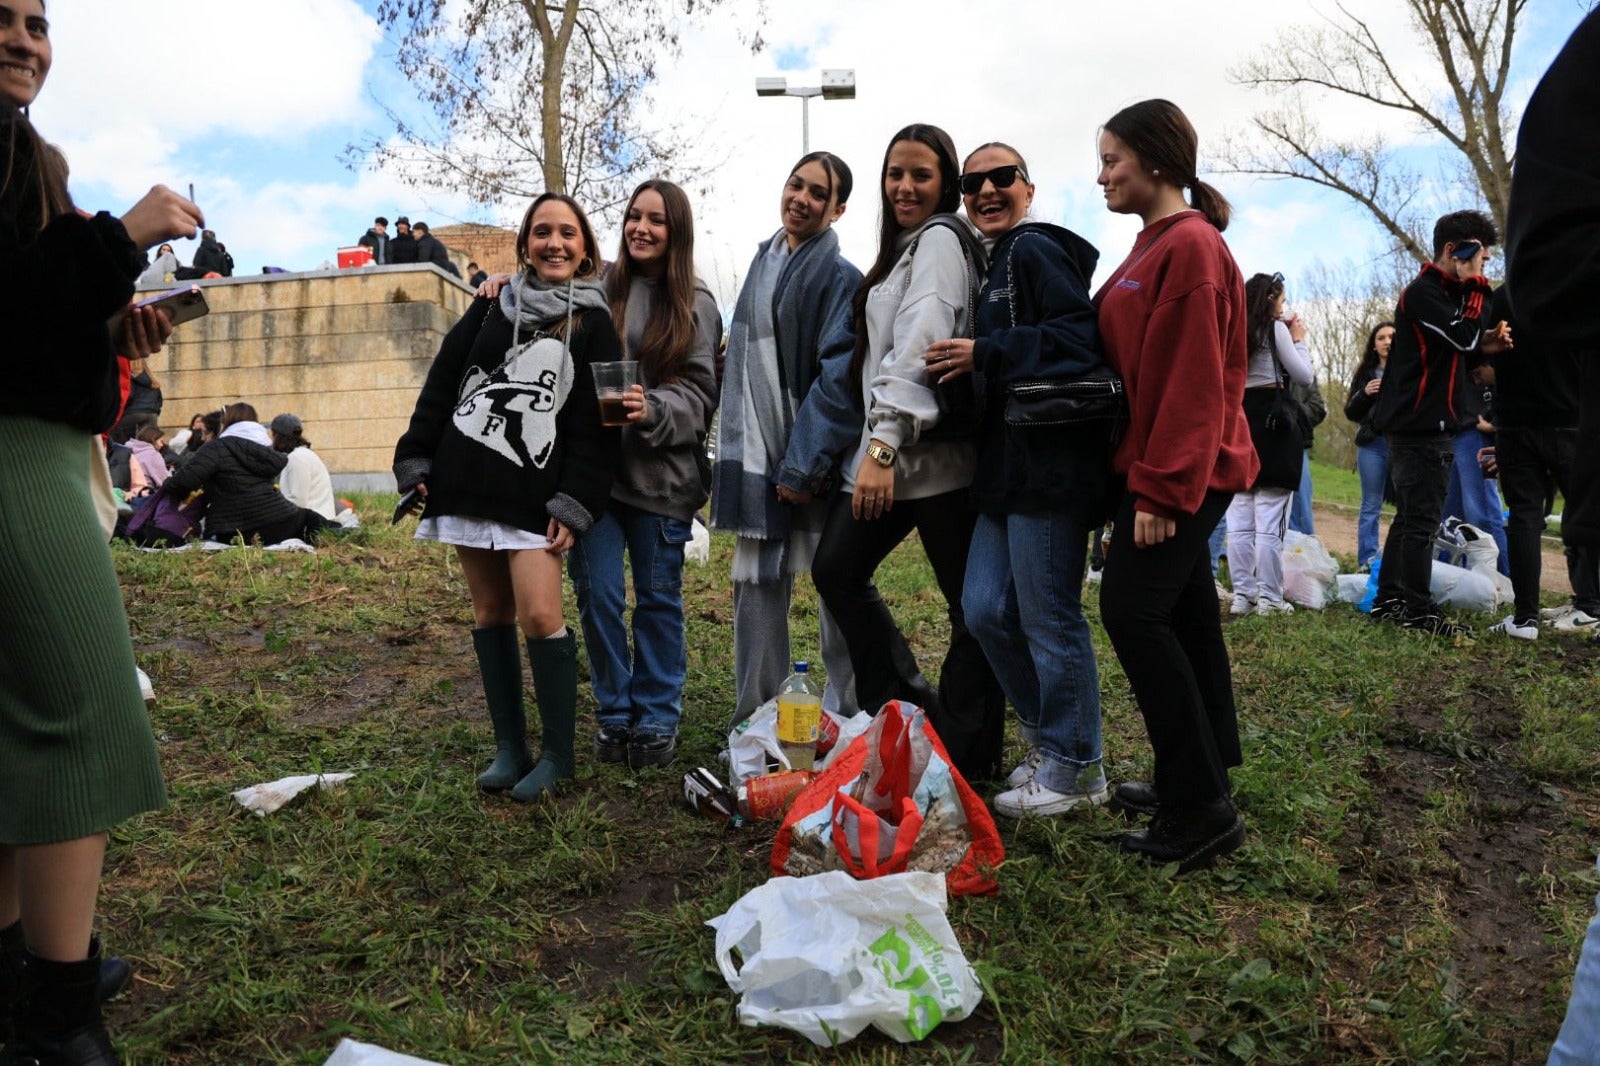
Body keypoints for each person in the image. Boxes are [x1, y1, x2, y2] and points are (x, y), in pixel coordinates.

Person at [0, 1, 200, 1058]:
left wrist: (109, 323)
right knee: (82, 712)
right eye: (3, 17)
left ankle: (17, 969)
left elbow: (30, 314)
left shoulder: (25, 152)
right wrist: (120, 237)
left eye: (37, 20)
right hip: (14, 450)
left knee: (18, 718)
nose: (25, 37)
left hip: (36, 433)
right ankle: (57, 1015)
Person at [393, 192, 621, 801]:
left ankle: (558, 754)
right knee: (491, 614)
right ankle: (509, 747)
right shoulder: (492, 307)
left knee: (542, 617)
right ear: (525, 244)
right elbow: (444, 382)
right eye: (543, 232)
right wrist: (414, 455)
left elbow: (601, 428)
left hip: (535, 499)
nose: (555, 243)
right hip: (467, 484)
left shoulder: (595, 322)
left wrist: (576, 501)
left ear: (585, 248)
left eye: (568, 233)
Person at [809, 125, 1006, 786]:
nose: (904, 187)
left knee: (968, 611)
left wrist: (883, 446)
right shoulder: (899, 253)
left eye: (921, 175)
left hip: (935, 466)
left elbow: (921, 340)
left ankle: (968, 752)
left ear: (944, 184)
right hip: (896, 461)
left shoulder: (943, 242)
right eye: (895, 173)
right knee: (837, 567)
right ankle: (904, 706)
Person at [1093, 99, 1255, 872]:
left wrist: (1160, 490)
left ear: (1155, 160)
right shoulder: (1152, 245)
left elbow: (1195, 382)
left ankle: (1201, 810)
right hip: (1163, 464)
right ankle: (1205, 766)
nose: (1102, 176)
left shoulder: (1190, 246)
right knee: (1186, 614)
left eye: (1112, 160)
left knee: (1129, 609)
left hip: (1182, 467)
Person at [939, 139, 1112, 807]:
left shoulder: (1035, 250)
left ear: (1029, 189)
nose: (986, 190)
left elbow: (1078, 338)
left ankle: (1077, 767)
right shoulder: (993, 267)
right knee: (984, 608)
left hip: (1051, 465)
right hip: (1005, 472)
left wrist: (986, 351)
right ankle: (1051, 740)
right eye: (972, 182)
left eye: (1001, 177)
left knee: (1049, 616)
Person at [1501, 12, 1600, 1055]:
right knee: (1519, 521)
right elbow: (1556, 269)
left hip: (1546, 432)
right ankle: (1534, 610)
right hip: (1519, 437)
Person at [568, 179, 718, 770]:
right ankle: (613, 710)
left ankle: (656, 713)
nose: (642, 228)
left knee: (658, 599)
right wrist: (504, 281)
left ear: (675, 232)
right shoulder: (598, 292)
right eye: (634, 216)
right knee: (599, 595)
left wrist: (652, 406)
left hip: (663, 480)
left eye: (656, 219)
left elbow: (703, 392)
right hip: (597, 480)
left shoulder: (697, 302)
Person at [709, 151, 863, 727]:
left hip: (816, 461)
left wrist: (801, 465)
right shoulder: (760, 265)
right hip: (758, 458)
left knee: (835, 594)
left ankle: (847, 714)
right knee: (756, 587)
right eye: (795, 184)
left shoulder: (842, 278)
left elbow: (838, 378)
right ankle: (757, 715)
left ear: (838, 208)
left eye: (818, 193)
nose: (801, 198)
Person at [1368, 210, 1511, 635]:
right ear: (1454, 251)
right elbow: (1463, 335)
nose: (1483, 268)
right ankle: (1418, 609)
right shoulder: (1424, 292)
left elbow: (1457, 349)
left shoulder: (1442, 296)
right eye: (1479, 258)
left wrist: (1484, 345)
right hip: (1419, 425)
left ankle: (1389, 600)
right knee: (1423, 522)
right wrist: (1478, 289)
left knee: (1411, 518)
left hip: (1426, 422)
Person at [1226, 272, 1314, 616]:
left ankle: (1243, 596)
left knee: (1240, 520)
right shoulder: (1276, 329)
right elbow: (1303, 376)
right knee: (1271, 519)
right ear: (1271, 299)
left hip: (1240, 421)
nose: (1284, 306)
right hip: (1274, 426)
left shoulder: (1233, 331)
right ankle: (1270, 599)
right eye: (1282, 299)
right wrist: (1299, 340)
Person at [162, 402, 336, 545]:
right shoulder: (263, 450)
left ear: (227, 423)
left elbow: (183, 481)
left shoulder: (217, 448)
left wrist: (165, 486)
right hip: (279, 521)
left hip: (233, 530)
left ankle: (337, 531)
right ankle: (341, 533)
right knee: (312, 520)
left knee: (312, 520)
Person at [1343, 322, 1396, 569]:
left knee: (1408, 505)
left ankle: (1401, 560)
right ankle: (1367, 561)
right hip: (1372, 445)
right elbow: (1351, 413)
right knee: (1370, 505)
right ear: (1373, 346)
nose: (1387, 341)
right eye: (1381, 338)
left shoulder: (1410, 369)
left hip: (1403, 446)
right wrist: (1364, 393)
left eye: (1391, 337)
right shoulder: (1365, 374)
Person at [269, 413, 336, 521]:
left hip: (314, 525)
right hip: (316, 520)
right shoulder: (301, 454)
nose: (271, 440)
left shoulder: (297, 458)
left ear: (277, 436)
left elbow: (298, 502)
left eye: (272, 435)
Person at [1287, 375, 1326, 535]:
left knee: (1301, 498)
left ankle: (1304, 545)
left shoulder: (1305, 373)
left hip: (1297, 443)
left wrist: (1290, 410)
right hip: (1263, 443)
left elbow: (1318, 409)